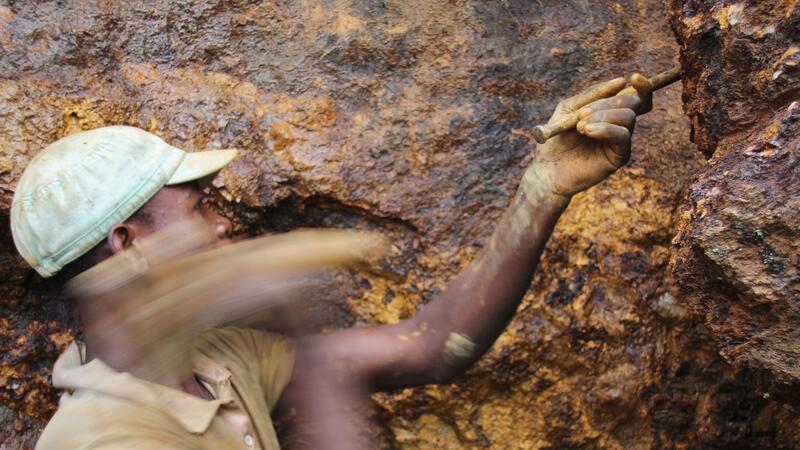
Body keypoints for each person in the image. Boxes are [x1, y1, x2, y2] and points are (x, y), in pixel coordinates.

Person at [12, 74, 653, 449]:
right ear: (131, 245)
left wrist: (540, 189)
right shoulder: (102, 439)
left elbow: (431, 347)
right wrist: (291, 317)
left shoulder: (211, 361)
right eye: (199, 207)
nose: (222, 223)